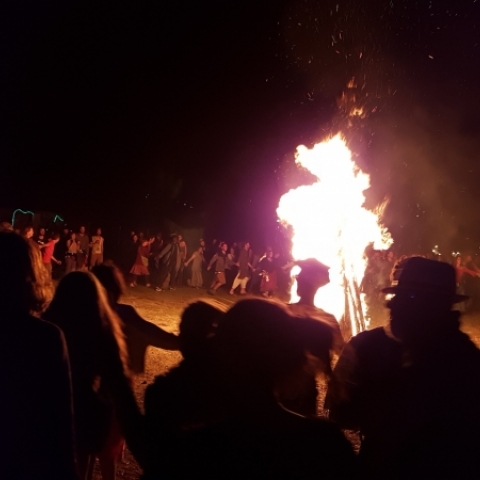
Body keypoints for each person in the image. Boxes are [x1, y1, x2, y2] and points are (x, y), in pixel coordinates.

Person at [118, 298, 356, 479]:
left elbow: (157, 462)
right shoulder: (326, 445)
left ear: (225, 356)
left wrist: (116, 380)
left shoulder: (204, 452)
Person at [326, 256, 480, 478]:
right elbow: (340, 413)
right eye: (399, 297)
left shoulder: (464, 358)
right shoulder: (466, 354)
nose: (395, 305)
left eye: (412, 297)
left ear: (441, 306)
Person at [0, 232, 78, 479]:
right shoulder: (46, 338)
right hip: (29, 462)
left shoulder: (47, 337)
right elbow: (61, 422)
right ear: (31, 275)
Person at [44, 271, 134, 480]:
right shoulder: (103, 334)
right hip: (86, 416)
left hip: (54, 415)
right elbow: (118, 382)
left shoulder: (49, 331)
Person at [92, 262, 180, 375]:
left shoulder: (76, 317)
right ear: (117, 288)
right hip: (115, 388)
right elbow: (163, 339)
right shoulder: (125, 315)